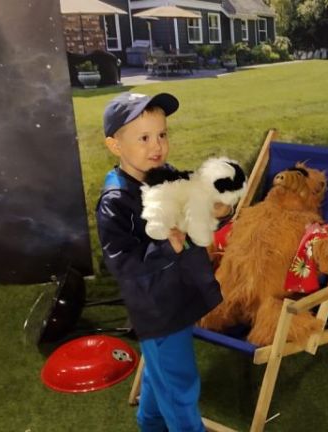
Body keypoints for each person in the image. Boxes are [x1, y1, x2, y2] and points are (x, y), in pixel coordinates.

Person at [96, 92, 229, 432]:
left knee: (162, 376)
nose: (157, 146)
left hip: (178, 295)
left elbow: (193, 201)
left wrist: (215, 209)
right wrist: (165, 247)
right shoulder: (116, 200)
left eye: (162, 134)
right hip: (156, 308)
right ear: (115, 145)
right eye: (144, 138)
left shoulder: (163, 174)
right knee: (179, 383)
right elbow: (121, 262)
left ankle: (151, 423)